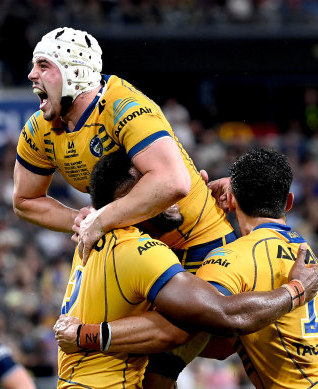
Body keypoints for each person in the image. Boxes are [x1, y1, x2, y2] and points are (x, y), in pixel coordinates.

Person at [13, 26, 235, 382]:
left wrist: (101, 220)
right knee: (138, 362)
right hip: (138, 249)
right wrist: (77, 218)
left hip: (199, 242)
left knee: (173, 356)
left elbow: (172, 183)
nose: (32, 74)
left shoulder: (124, 106)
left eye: (43, 65)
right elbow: (25, 200)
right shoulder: (41, 128)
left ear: (74, 72)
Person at [56, 148, 318, 388]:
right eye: (157, 186)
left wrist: (88, 335)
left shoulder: (91, 242)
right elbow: (215, 329)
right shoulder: (303, 252)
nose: (174, 193)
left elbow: (211, 328)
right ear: (288, 201)